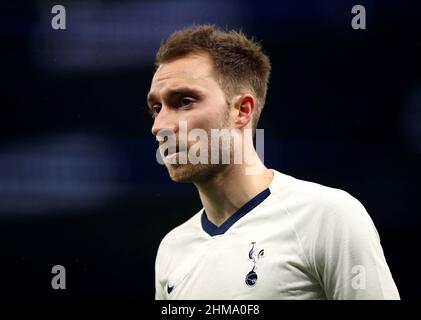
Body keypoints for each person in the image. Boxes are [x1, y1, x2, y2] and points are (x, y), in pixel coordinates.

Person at [147, 25, 400, 299]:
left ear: (242, 110)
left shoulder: (328, 217)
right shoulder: (172, 249)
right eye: (156, 108)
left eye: (184, 101)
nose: (159, 125)